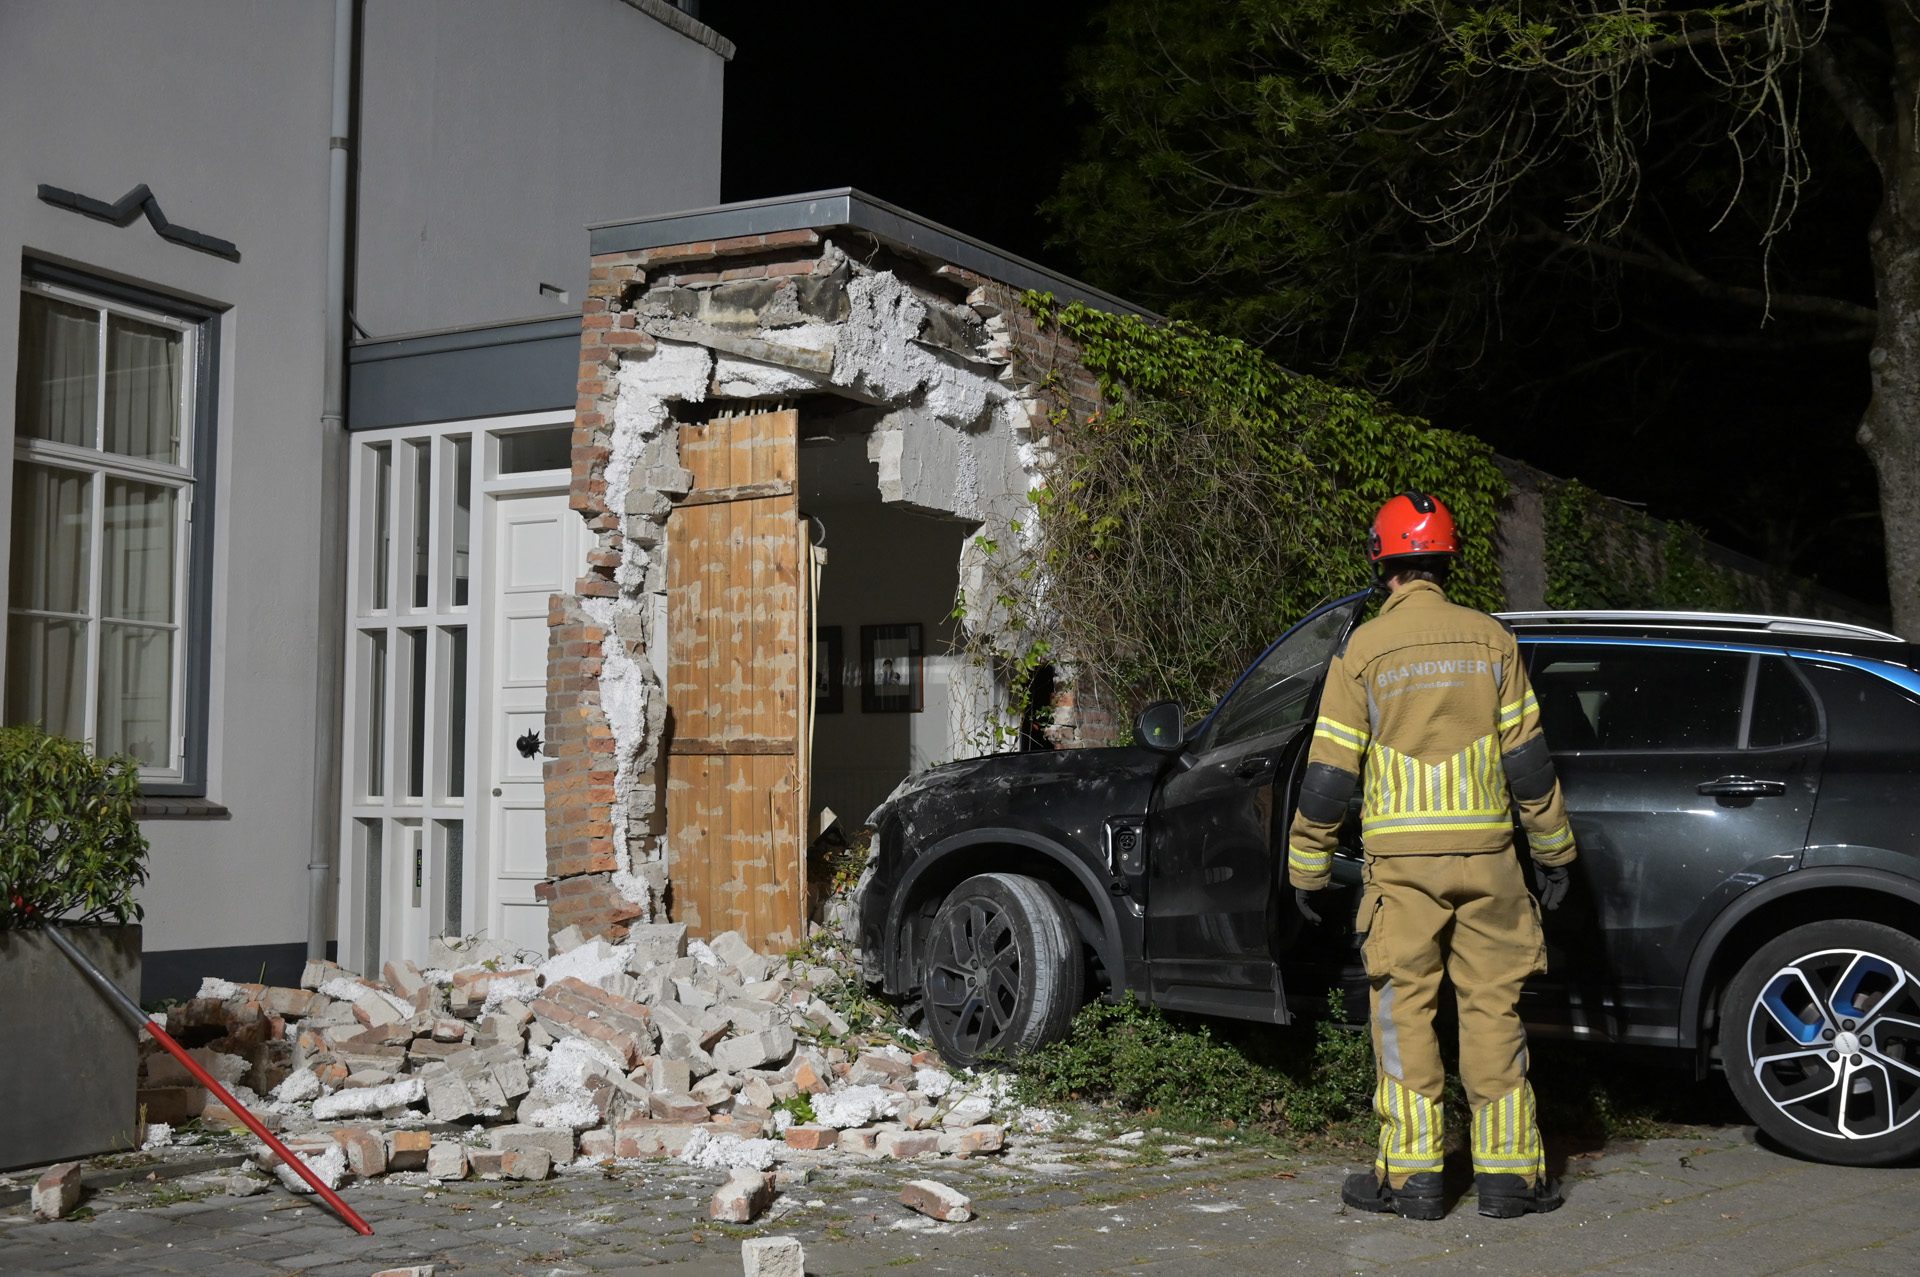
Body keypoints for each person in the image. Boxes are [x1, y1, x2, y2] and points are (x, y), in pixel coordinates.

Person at [1288, 491, 1576, 1221]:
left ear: (1383, 563)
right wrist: (1555, 850)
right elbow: (1530, 764)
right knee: (1494, 1010)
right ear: (1446, 560)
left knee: (1403, 1012)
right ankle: (1509, 1178)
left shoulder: (1363, 650)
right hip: (1490, 862)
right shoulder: (1493, 640)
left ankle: (1413, 1179)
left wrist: (1307, 866)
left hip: (1403, 872)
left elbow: (1329, 774)